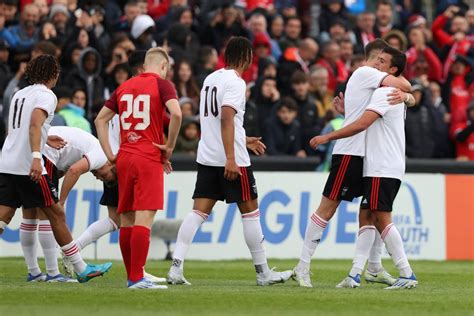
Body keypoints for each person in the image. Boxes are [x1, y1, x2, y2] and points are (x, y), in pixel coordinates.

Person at [166, 36, 292, 286]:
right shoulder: (236, 82)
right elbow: (225, 118)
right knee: (251, 213)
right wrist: (232, 157)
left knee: (197, 213)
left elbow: (214, 122)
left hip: (208, 156)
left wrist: (243, 140)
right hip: (230, 161)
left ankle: (176, 268)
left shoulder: (210, 79)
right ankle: (263, 273)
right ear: (246, 57)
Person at [293, 39, 414, 288]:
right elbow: (405, 84)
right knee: (328, 209)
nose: (380, 63)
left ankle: (368, 269)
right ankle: (302, 267)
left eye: (384, 61)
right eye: (380, 58)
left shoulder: (374, 84)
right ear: (374, 57)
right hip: (351, 153)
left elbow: (364, 115)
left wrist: (347, 112)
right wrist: (408, 94)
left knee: (370, 213)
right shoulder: (366, 72)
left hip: (368, 156)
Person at [0, 55, 112, 283]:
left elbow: (19, 127)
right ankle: (80, 269)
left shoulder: (20, 94)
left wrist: (44, 140)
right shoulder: (47, 96)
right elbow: (34, 123)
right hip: (26, 164)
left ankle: (35, 272)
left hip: (7, 160)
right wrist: (34, 156)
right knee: (56, 213)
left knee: (5, 215)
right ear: (52, 74)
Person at [95, 47, 182, 290]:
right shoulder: (162, 85)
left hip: (125, 156)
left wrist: (109, 153)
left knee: (127, 218)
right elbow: (177, 113)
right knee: (144, 217)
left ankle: (132, 276)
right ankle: (137, 278)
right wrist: (170, 146)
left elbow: (100, 119)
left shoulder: (125, 86)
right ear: (163, 66)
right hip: (147, 155)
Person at [20, 126, 115, 282]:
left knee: (30, 212)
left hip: (34, 147)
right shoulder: (102, 155)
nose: (100, 178)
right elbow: (73, 170)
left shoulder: (93, 149)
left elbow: (64, 168)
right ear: (111, 165)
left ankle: (34, 272)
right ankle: (53, 273)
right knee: (49, 215)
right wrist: (61, 201)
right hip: (47, 152)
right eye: (106, 177)